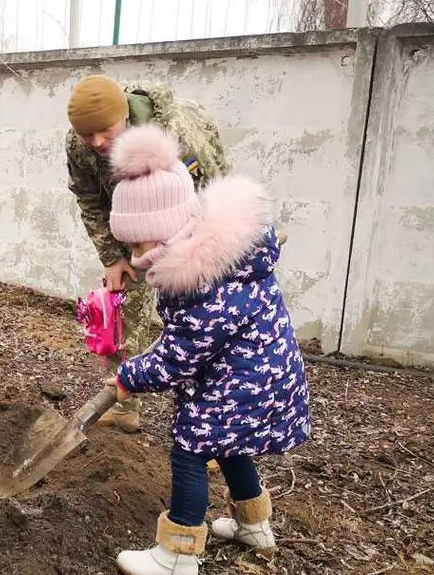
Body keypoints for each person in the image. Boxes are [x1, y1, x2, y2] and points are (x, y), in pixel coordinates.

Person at [100, 124, 310, 575]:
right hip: (262, 373)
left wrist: (127, 378)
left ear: (166, 228)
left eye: (138, 242)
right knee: (230, 444)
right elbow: (192, 340)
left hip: (242, 381)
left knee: (190, 446)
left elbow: (179, 355)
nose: (135, 256)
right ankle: (255, 526)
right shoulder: (219, 254)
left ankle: (177, 555)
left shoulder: (201, 281)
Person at [66, 74, 231, 434]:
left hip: (193, 226)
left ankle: (222, 431)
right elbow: (88, 198)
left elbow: (215, 191)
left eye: (105, 131)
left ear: (123, 114)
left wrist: (202, 257)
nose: (96, 142)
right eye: (86, 135)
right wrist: (112, 257)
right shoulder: (81, 144)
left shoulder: (176, 133)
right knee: (120, 311)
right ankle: (125, 407)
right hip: (133, 231)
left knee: (207, 325)